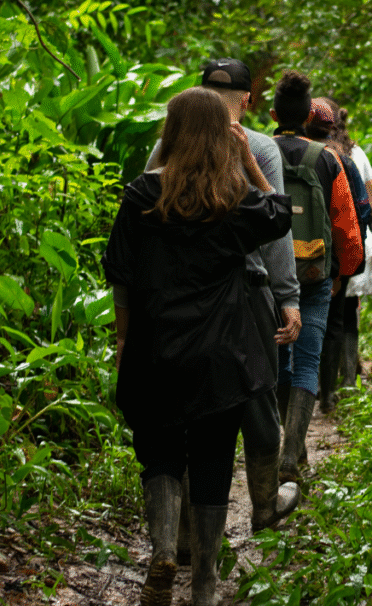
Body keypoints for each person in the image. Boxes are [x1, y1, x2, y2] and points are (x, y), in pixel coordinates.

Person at [102, 87, 292, 606]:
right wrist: (251, 160)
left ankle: (164, 549)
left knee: (159, 451)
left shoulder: (142, 194)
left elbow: (121, 276)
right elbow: (281, 214)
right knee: (211, 458)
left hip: (155, 346)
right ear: (221, 135)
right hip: (221, 355)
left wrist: (123, 339)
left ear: (173, 131)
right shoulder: (234, 198)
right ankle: (205, 584)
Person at [145, 58, 302, 550]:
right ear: (248, 101)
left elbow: (142, 207)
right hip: (247, 293)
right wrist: (289, 296)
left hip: (173, 298)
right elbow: (277, 227)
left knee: (185, 410)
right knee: (257, 398)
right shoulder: (256, 146)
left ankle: (186, 536)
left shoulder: (166, 145)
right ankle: (262, 503)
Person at [270, 71, 363, 484]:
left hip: (269, 279)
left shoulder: (255, 151)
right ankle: (291, 455)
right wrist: (344, 271)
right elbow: (347, 225)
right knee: (307, 357)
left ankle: (291, 445)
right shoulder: (328, 159)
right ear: (310, 114)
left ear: (272, 113)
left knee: (278, 362)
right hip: (314, 274)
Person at [306, 98, 371, 414]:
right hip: (328, 262)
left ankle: (295, 397)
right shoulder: (340, 160)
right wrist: (346, 269)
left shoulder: (276, 152)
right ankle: (328, 394)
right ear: (333, 125)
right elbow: (359, 213)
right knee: (332, 324)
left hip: (284, 260)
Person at [319, 98, 372, 397]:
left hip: (318, 242)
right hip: (351, 240)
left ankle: (323, 384)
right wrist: (357, 214)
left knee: (322, 313)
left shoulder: (314, 151)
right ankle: (347, 380)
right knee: (348, 314)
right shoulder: (355, 153)